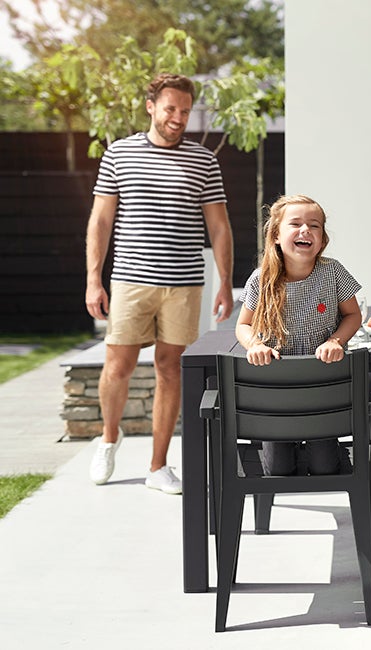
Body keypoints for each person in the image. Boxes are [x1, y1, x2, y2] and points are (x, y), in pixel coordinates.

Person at [85, 73, 234, 495]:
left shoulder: (204, 161)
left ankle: (157, 466)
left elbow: (219, 228)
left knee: (172, 369)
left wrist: (225, 283)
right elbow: (101, 220)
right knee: (119, 366)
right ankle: (109, 439)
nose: (178, 118)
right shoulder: (119, 153)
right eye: (171, 109)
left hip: (185, 284)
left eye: (185, 111)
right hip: (131, 280)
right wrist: (93, 280)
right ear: (151, 106)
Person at [235, 194, 364, 476]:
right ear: (277, 236)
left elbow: (354, 315)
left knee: (325, 468)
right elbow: (242, 325)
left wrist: (336, 341)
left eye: (314, 225)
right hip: (276, 390)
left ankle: (323, 451)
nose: (306, 230)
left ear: (322, 238)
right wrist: (254, 345)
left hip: (322, 386)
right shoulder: (261, 279)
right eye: (295, 224)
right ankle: (288, 449)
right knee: (279, 470)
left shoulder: (333, 272)